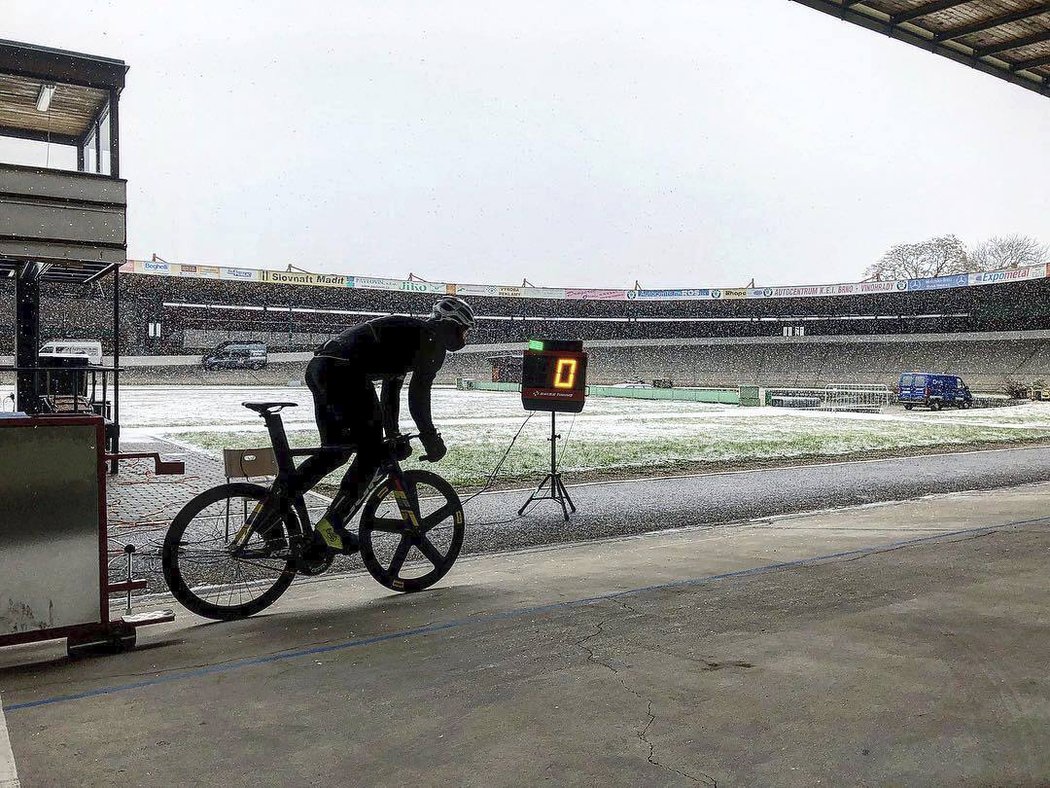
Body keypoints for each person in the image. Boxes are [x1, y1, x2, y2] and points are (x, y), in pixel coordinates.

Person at [290, 295, 475, 555]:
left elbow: (391, 393)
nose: (464, 337)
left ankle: (275, 504)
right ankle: (331, 526)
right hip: (345, 373)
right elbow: (418, 396)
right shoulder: (432, 343)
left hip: (322, 368)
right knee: (373, 454)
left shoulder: (409, 336)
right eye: (463, 330)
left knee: (335, 453)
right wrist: (430, 437)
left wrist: (395, 433)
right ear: (450, 326)